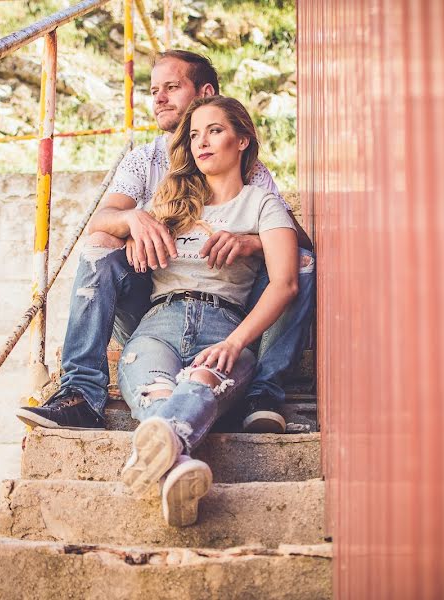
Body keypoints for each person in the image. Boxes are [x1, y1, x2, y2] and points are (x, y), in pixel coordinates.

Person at [16, 50, 315, 434]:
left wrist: (249, 243)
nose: (158, 98)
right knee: (103, 243)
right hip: (154, 300)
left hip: (230, 306)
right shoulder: (146, 164)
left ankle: (263, 391)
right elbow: (99, 223)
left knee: (301, 261)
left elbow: (296, 245)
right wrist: (133, 220)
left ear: (205, 93)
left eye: (171, 87)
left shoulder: (254, 181)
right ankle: (81, 392)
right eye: (154, 89)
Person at [117, 95, 298, 526]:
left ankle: (164, 464)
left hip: (225, 327)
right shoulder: (171, 203)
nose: (202, 142)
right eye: (195, 134)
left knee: (200, 382)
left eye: (215, 131)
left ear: (242, 140)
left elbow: (287, 281)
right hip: (157, 325)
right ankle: (178, 467)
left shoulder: (261, 204)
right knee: (158, 392)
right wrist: (133, 225)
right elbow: (99, 224)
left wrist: (236, 343)